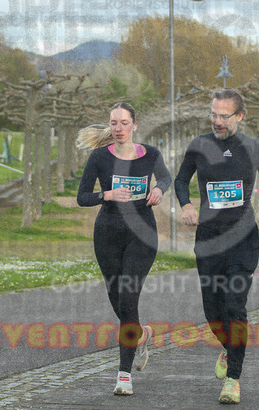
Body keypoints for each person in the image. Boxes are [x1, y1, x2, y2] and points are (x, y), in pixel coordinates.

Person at [174, 89, 259, 404]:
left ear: (240, 116)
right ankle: (229, 349)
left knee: (235, 307)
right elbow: (181, 181)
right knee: (213, 312)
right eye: (213, 114)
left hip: (242, 241)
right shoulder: (199, 145)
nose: (217, 121)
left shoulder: (252, 148)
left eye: (224, 116)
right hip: (209, 241)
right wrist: (186, 205)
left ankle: (233, 379)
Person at [76, 102, 171, 396]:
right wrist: (107, 194)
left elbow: (165, 177)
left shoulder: (150, 154)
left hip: (142, 235)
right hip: (107, 235)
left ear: (134, 125)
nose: (118, 128)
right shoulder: (99, 157)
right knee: (117, 299)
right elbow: (82, 197)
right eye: (114, 123)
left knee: (128, 299)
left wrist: (159, 189)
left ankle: (124, 375)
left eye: (124, 123)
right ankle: (141, 334)